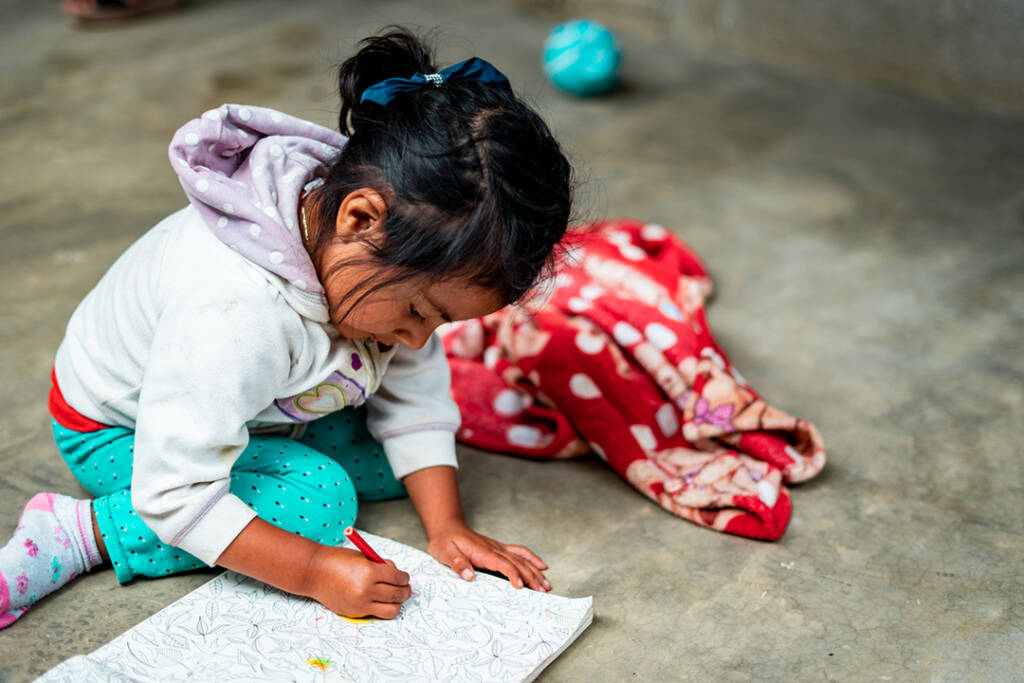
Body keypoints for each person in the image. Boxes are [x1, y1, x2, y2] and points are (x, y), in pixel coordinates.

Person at [0, 28, 572, 627]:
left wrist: (448, 527)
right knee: (319, 502)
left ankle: (278, 450)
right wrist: (314, 571)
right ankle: (78, 532)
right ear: (361, 218)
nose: (418, 341)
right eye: (420, 314)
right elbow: (175, 491)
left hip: (246, 401)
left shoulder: (370, 260)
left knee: (397, 465)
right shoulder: (237, 310)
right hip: (120, 429)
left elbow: (416, 391)